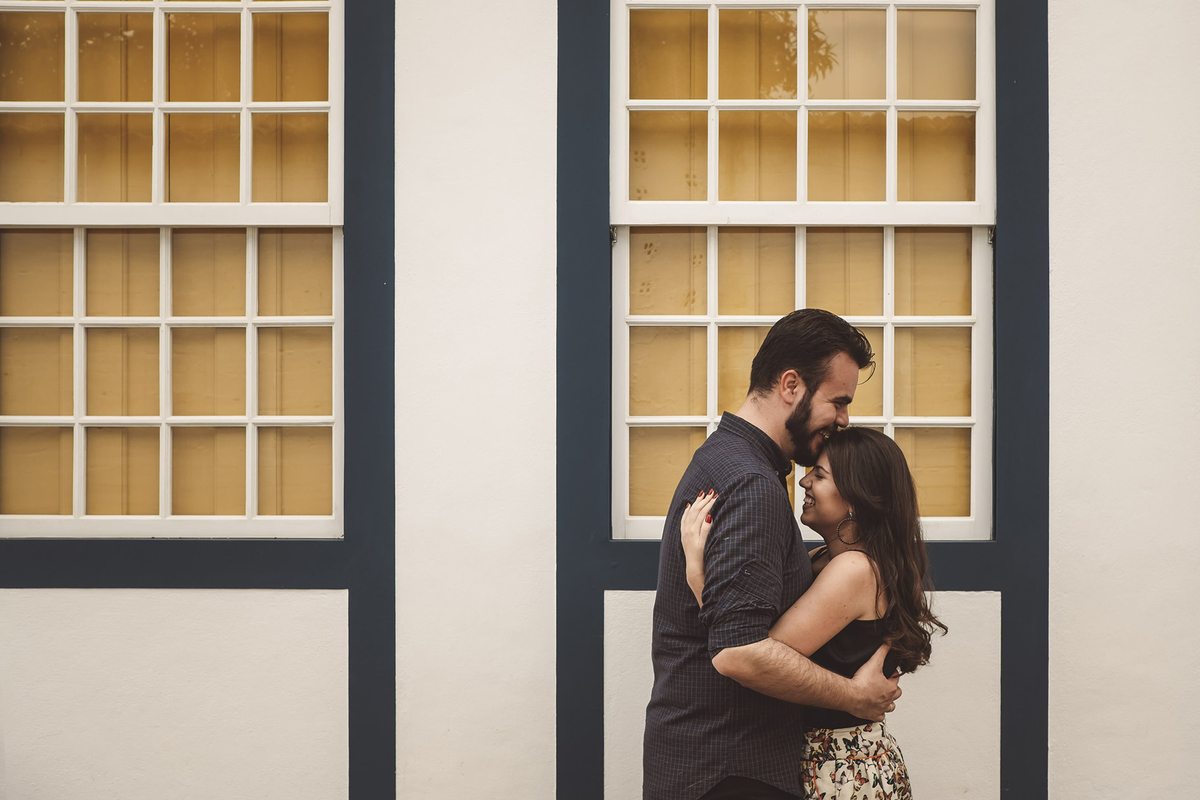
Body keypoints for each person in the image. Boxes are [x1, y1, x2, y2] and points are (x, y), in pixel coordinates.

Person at [642, 309, 902, 800]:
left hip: (714, 762)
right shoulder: (753, 484)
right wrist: (854, 695)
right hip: (731, 768)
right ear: (791, 385)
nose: (844, 419)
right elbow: (740, 650)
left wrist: (701, 582)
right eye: (838, 401)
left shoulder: (725, 460)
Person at [682, 427, 945, 799]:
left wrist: (697, 574)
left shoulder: (855, 569)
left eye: (819, 475)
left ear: (855, 499)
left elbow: (756, 656)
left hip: (842, 769)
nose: (804, 481)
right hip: (825, 760)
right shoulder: (824, 558)